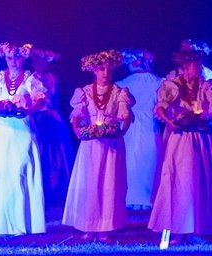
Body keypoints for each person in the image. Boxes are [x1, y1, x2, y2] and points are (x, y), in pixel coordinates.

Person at [148, 46, 212, 240]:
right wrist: (171, 121)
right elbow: (160, 108)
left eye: (201, 65)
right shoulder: (172, 85)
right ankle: (176, 229)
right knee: (179, 180)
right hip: (180, 139)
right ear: (185, 67)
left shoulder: (205, 85)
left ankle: (198, 228)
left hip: (201, 138)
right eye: (196, 65)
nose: (200, 69)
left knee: (200, 180)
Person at [0, 42, 47, 236]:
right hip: (0, 130)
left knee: (18, 170)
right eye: (9, 57)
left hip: (21, 129)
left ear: (24, 58)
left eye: (18, 57)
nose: (13, 61)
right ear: (4, 58)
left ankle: (20, 225)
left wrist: (29, 107)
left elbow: (41, 99)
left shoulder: (31, 78)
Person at [62, 49, 133, 239]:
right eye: (101, 69)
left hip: (111, 144)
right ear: (94, 70)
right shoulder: (84, 92)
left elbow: (125, 118)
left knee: (109, 184)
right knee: (91, 183)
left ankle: (106, 227)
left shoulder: (119, 92)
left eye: (109, 69)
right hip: (91, 145)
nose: (105, 73)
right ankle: (89, 225)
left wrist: (119, 130)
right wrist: (80, 132)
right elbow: (76, 118)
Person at [115, 48, 162, 211]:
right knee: (150, 160)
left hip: (130, 125)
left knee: (131, 159)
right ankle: (148, 197)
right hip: (150, 124)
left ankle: (129, 197)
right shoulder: (158, 82)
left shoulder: (122, 84)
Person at [30, 48, 73, 216]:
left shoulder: (52, 78)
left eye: (42, 61)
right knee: (40, 154)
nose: (39, 64)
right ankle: (42, 192)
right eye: (36, 61)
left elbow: (52, 100)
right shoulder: (30, 78)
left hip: (50, 118)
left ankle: (55, 192)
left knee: (55, 156)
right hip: (37, 118)